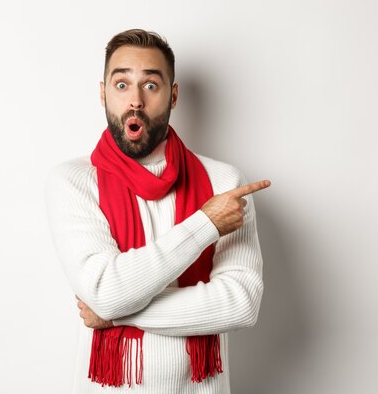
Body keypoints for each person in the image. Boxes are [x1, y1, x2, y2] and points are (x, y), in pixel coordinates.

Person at [45, 28, 270, 393]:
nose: (135, 100)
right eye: (121, 85)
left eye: (150, 85)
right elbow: (105, 289)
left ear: (173, 95)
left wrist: (114, 313)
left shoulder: (224, 181)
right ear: (102, 93)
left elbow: (240, 303)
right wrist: (206, 223)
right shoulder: (74, 181)